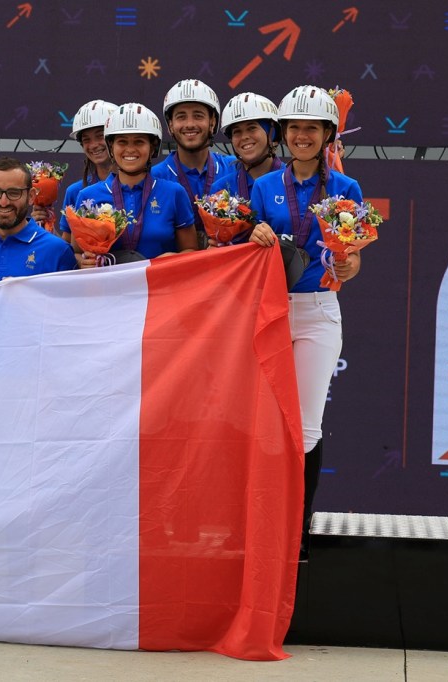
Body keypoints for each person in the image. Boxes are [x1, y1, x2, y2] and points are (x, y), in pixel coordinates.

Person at [247, 86, 364, 558]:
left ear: (327, 134)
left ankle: (298, 530)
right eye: (293, 127)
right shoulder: (262, 187)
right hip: (270, 311)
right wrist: (253, 234)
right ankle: (261, 519)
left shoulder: (345, 188)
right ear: (283, 134)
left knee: (307, 426)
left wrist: (351, 264)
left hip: (317, 311)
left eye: (311, 128)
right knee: (264, 424)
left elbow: (351, 257)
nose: (301, 136)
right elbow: (246, 253)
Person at [66, 102, 196, 267]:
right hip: (108, 290)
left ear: (153, 147)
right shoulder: (87, 196)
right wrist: (83, 262)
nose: (130, 149)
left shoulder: (174, 192)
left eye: (139, 142)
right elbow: (76, 252)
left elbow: (191, 250)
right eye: (122, 142)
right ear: (111, 147)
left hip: (159, 288)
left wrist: (173, 258)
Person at [0, 156, 77, 293]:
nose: (3, 202)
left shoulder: (58, 251)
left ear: (31, 196)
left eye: (13, 193)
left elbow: (70, 311)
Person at [152, 79, 236, 246]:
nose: (189, 124)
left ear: (212, 122)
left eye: (198, 116)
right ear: (170, 125)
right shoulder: (153, 177)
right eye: (181, 117)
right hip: (175, 270)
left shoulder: (235, 168)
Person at [53, 100, 119, 244]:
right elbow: (69, 248)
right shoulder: (75, 192)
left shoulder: (141, 185)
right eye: (86, 140)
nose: (94, 145)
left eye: (100, 136)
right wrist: (47, 227)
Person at [210, 92, 284, 199]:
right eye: (237, 132)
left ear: (271, 134)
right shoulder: (221, 189)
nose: (244, 137)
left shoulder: (295, 179)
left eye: (252, 128)